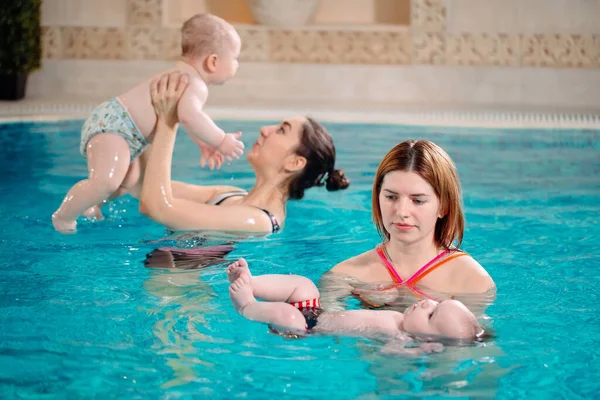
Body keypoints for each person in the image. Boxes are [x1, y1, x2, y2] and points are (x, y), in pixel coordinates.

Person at [52, 14, 245, 233]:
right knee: (106, 181)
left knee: (127, 180)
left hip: (123, 131)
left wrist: (202, 142)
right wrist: (220, 140)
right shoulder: (195, 84)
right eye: (236, 58)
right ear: (213, 61)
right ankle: (64, 216)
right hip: (117, 126)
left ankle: (90, 204)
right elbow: (190, 116)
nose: (237, 64)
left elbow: (183, 115)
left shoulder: (183, 74)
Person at [137, 71, 350, 234]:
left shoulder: (258, 221)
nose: (265, 130)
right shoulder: (231, 194)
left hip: (178, 289)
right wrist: (150, 120)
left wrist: (167, 121)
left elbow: (156, 207)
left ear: (294, 162)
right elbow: (148, 189)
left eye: (281, 130)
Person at [324, 140, 495, 306]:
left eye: (418, 200)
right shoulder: (345, 275)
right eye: (391, 197)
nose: (401, 212)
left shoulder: (473, 283)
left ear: (444, 207)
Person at [226, 258, 484, 354]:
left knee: (288, 315)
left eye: (431, 314)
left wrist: (416, 352)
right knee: (303, 285)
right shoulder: (399, 317)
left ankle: (246, 305)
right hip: (319, 313)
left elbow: (390, 353)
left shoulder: (402, 336)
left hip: (308, 329)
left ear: (428, 341)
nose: (427, 303)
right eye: (435, 303)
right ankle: (252, 282)